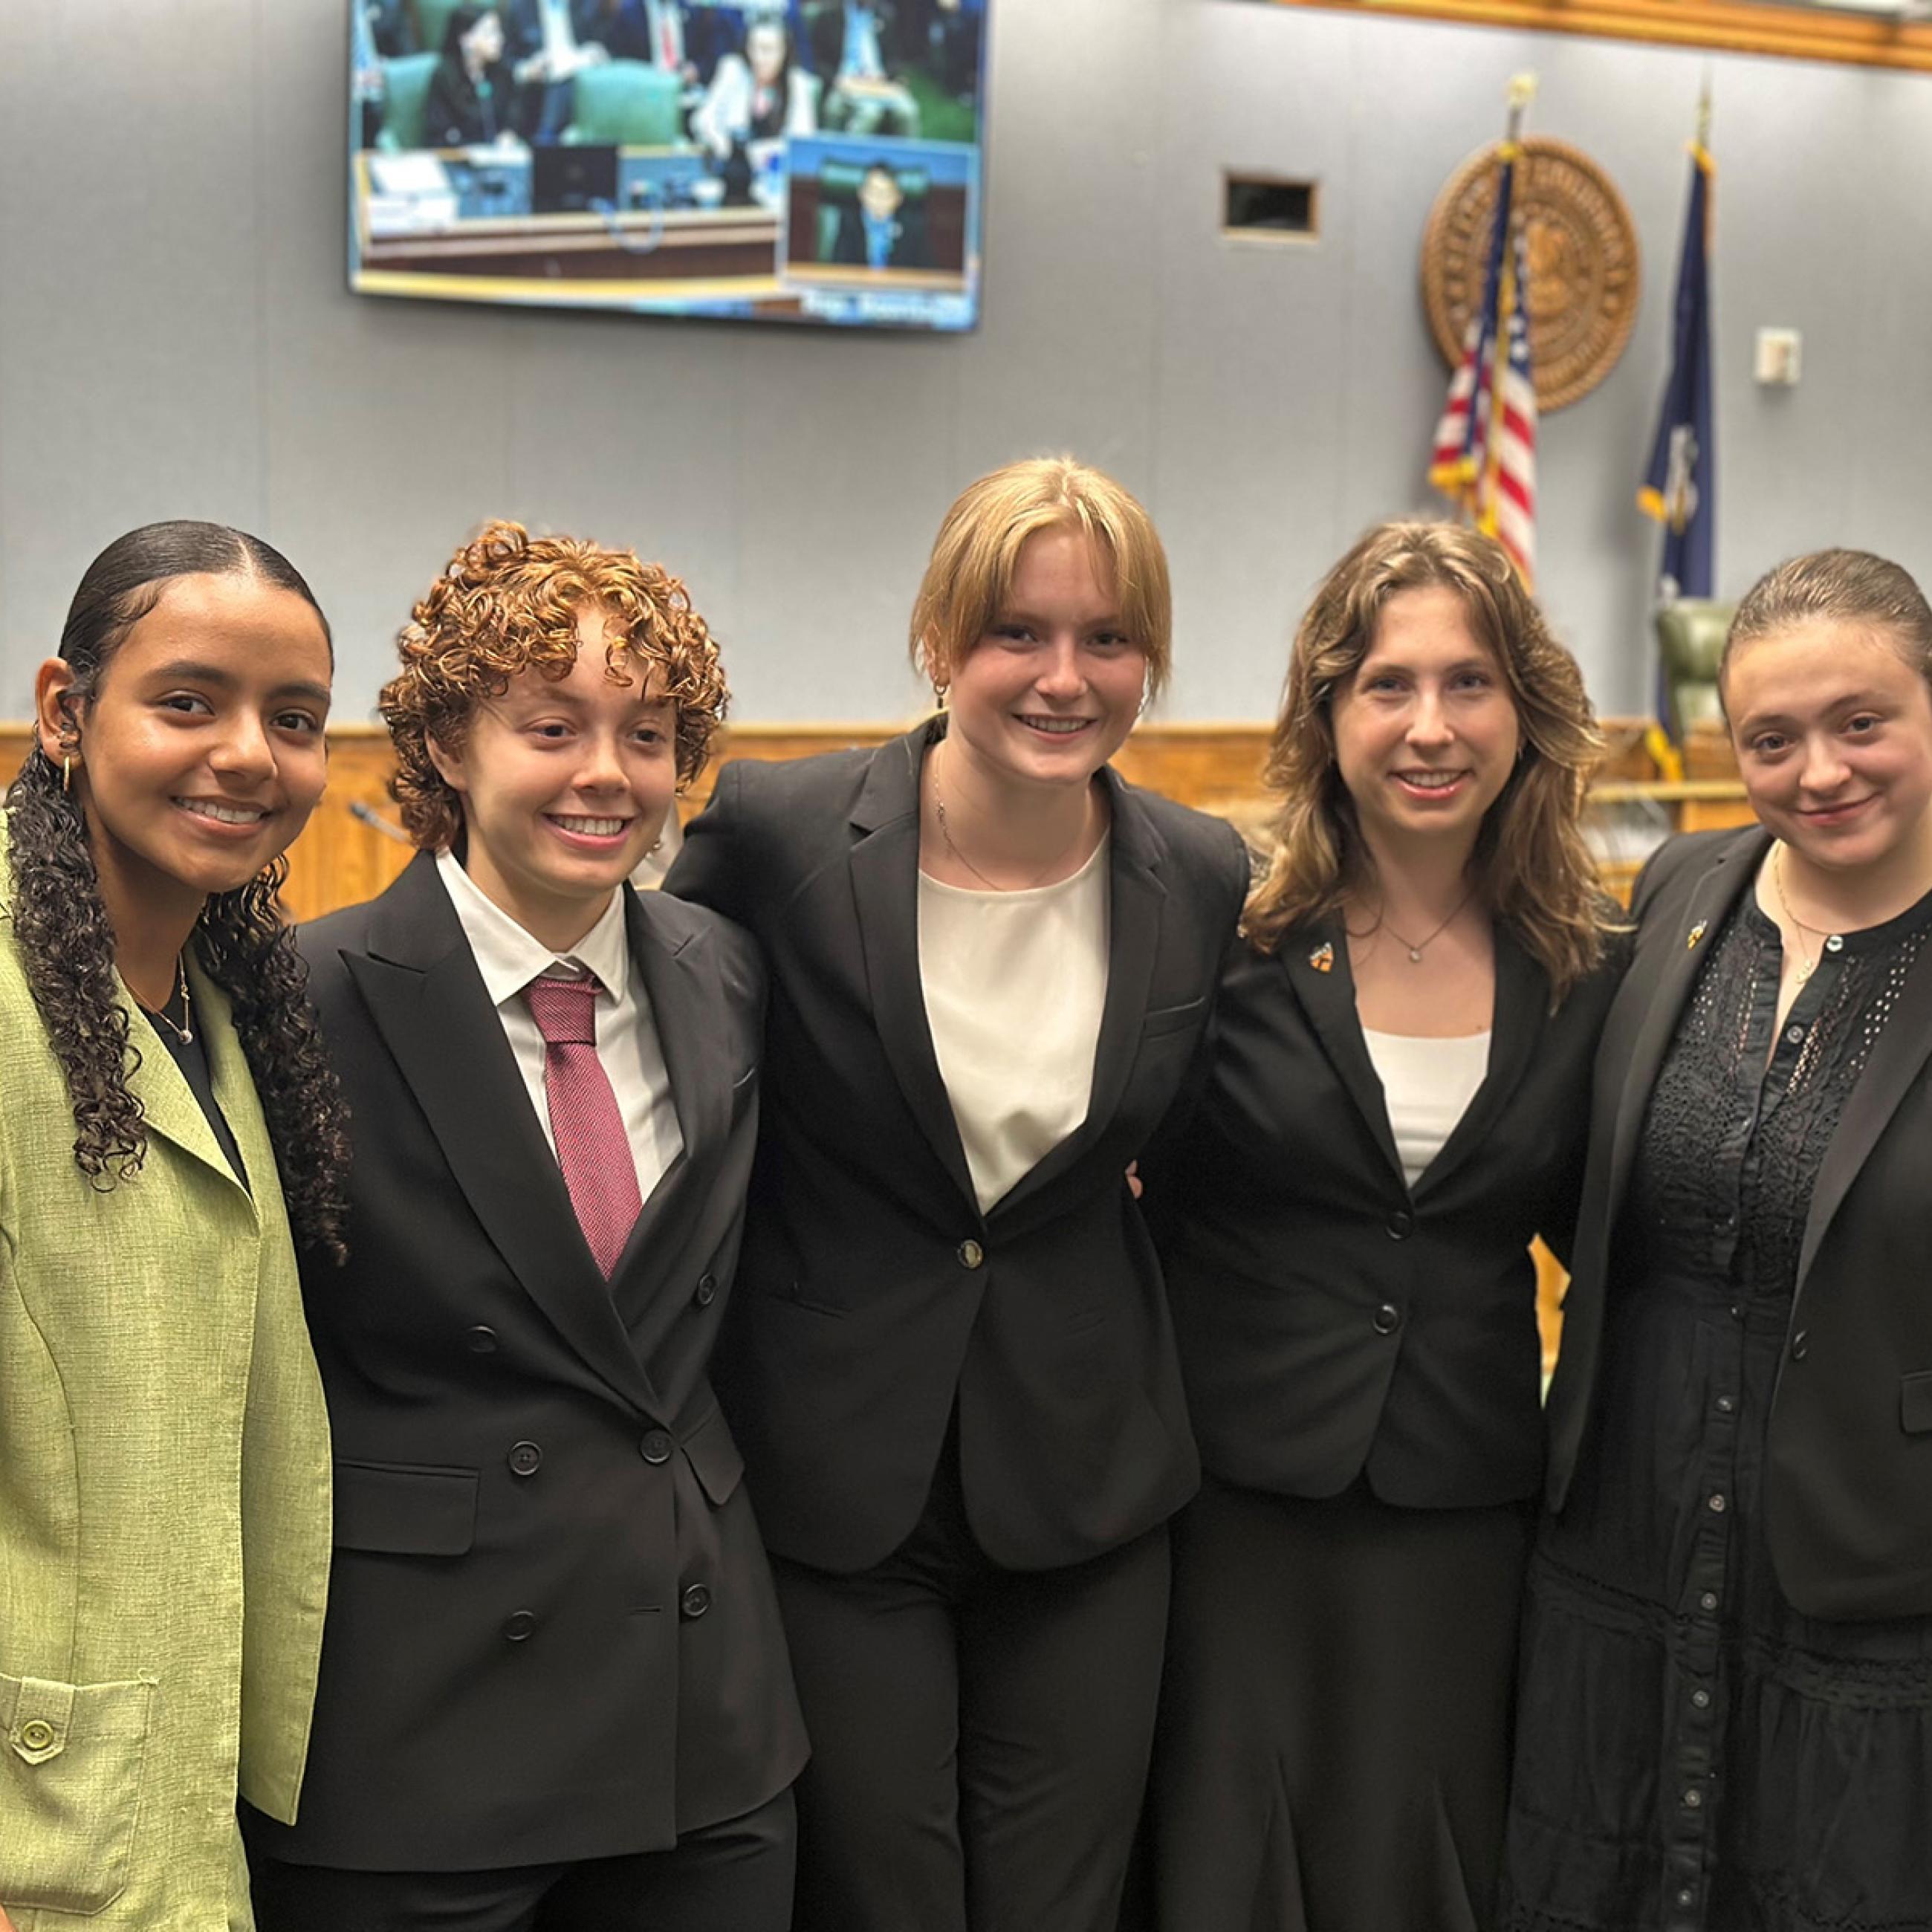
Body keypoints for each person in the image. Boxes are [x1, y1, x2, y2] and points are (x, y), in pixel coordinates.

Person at [665, 457, 1251, 1932]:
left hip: (1087, 1480)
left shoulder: (1197, 873)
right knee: (883, 1894)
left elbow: (1176, 1165)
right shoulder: (784, 839)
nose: (1063, 676)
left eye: (1107, 639)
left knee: (1062, 1898)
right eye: (1017, 633)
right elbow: (682, 1077)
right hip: (835, 1474)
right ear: (939, 643)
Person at [242, 521, 805, 1932]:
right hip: (419, 1737)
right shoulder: (299, 995)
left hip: (701, 1724)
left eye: (649, 733)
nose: (606, 774)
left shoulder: (722, 970)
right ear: (444, 743)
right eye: (551, 726)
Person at [1138, 521, 1623, 1932]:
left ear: (1525, 709)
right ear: (1327, 713)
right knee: (1231, 1862)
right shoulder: (1221, 935)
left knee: (1431, 1865)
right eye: (1387, 685)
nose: (1430, 727)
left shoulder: (1590, 965)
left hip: (1464, 1510)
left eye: (1469, 683)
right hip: (1235, 1506)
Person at [1501, 550, 1932, 1932]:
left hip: (1869, 1570)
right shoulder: (1682, 890)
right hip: (1625, 1531)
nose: (1820, 771)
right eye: (1772, 739)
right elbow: (1552, 1154)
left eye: (1862, 722)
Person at [0, 521, 346, 1931]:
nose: (251, 755)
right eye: (189, 702)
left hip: (170, 1792)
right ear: (67, 714)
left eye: (297, 719)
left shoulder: (218, 1004)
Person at [691, 16, 817, 163]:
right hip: (732, 167)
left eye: (767, 50)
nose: (758, 57)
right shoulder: (732, 70)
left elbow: (803, 141)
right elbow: (701, 120)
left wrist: (754, 153)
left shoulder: (798, 83)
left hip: (776, 171)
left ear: (785, 52)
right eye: (753, 47)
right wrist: (720, 142)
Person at [424, 6, 516, 147]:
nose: (499, 39)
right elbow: (439, 130)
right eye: (490, 33)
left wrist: (509, 135)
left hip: (497, 157)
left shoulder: (504, 73)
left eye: (498, 32)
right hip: (454, 155)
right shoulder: (444, 76)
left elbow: (513, 118)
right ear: (465, 38)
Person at [828, 160, 930, 269]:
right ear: (861, 194)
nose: (878, 200)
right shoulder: (849, 223)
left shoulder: (912, 226)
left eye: (886, 194)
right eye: (873, 193)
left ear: (899, 198)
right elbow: (837, 267)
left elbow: (928, 271)